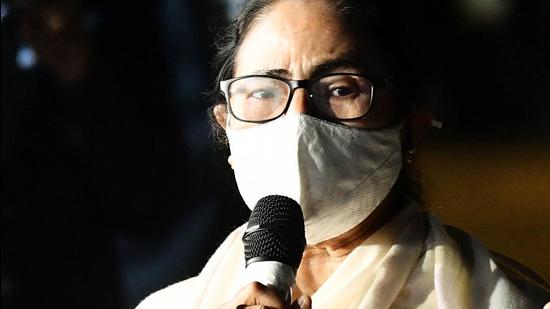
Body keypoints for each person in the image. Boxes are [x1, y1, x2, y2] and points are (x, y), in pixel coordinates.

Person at [137, 0, 550, 308]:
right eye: (263, 91)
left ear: (409, 132)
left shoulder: (502, 300)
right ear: (226, 129)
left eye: (339, 89)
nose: (297, 120)